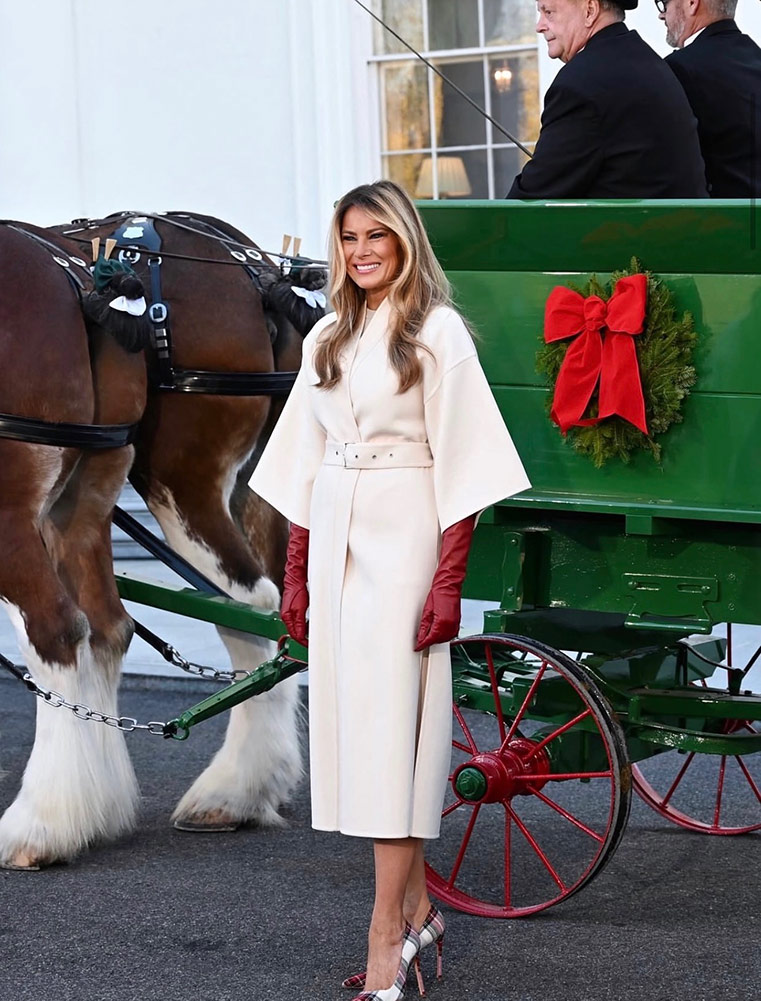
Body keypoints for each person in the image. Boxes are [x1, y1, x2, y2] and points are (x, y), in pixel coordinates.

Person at [249, 180, 530, 1000]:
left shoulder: (436, 332)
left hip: (405, 531)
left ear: (405, 242)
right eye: (347, 238)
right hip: (334, 527)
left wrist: (448, 583)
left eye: (377, 235)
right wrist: (296, 576)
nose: (361, 250)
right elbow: (301, 463)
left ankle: (385, 938)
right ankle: (416, 913)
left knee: (390, 736)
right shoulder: (328, 335)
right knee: (357, 735)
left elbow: (466, 467)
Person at [507, 0, 708, 198]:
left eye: (548, 12)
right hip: (680, 226)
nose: (539, 26)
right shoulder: (651, 63)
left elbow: (531, 198)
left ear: (590, 11)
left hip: (636, 229)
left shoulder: (580, 84)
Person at [660, 0, 761, 197]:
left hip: (722, 219)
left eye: (664, 3)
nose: (662, 15)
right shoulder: (756, 57)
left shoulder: (679, 69)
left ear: (691, 3)